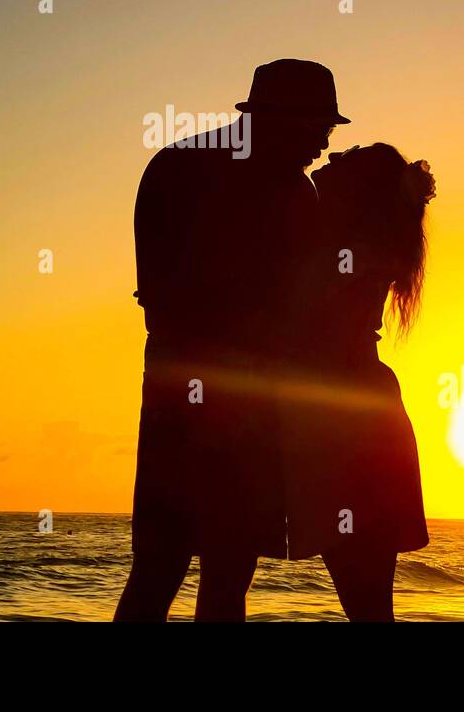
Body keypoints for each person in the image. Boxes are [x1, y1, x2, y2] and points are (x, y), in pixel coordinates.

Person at [114, 59, 345, 622]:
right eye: (319, 127)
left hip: (193, 393)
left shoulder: (178, 166)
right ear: (280, 118)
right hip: (222, 400)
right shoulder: (277, 188)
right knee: (203, 566)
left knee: (178, 565)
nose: (322, 143)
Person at [281, 143, 436, 621]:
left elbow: (296, 312)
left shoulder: (352, 255)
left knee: (363, 594)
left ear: (360, 190)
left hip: (347, 416)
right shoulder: (360, 250)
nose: (333, 158)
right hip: (359, 407)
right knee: (365, 598)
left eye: (349, 158)